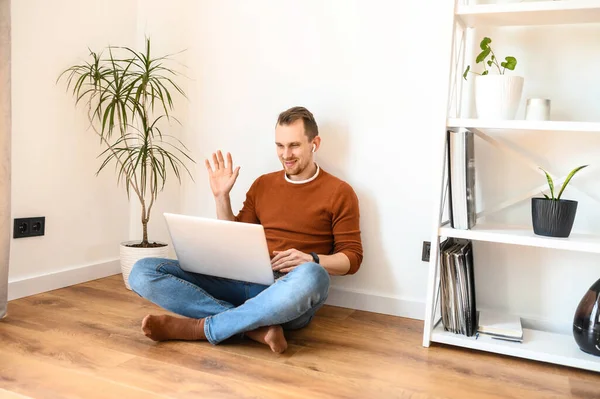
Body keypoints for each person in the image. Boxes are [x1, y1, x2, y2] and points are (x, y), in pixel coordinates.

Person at [128, 106, 363, 353]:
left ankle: (199, 328)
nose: (286, 154)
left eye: (294, 145)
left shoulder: (339, 192)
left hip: (285, 293)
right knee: (143, 271)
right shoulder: (263, 184)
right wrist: (221, 197)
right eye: (279, 146)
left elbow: (353, 258)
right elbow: (235, 238)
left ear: (314, 143)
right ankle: (254, 328)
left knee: (315, 276)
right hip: (242, 280)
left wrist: (311, 259)